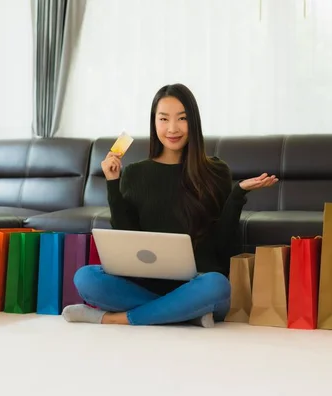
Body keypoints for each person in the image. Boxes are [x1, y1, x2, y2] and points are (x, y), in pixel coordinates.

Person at [62, 83, 278, 328]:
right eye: (163, 119)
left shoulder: (216, 171)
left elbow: (224, 246)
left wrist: (237, 194)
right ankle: (185, 312)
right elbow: (127, 236)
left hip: (199, 283)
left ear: (193, 122)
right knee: (86, 278)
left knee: (217, 285)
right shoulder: (134, 174)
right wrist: (113, 183)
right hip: (145, 282)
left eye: (182, 119)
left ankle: (115, 318)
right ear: (154, 123)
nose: (172, 128)